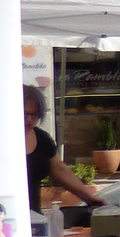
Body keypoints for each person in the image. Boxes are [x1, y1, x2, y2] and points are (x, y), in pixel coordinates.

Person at [24, 84, 107, 214]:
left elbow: (59, 169)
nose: (29, 119)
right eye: (24, 114)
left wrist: (89, 197)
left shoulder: (42, 139)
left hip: (33, 216)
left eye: (35, 115)